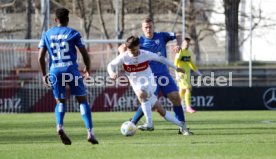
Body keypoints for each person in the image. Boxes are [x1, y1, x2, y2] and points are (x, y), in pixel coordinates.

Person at [108, 36, 192, 135]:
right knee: (161, 110)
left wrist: (176, 68)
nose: (132, 52)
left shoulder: (145, 54)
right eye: (130, 50)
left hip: (150, 83)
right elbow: (110, 65)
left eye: (134, 50)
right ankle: (182, 125)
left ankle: (149, 124)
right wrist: (111, 73)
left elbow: (161, 59)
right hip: (137, 86)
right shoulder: (124, 56)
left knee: (141, 94)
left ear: (138, 46)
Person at [38, 8, 98, 145]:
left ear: (55, 19)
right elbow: (84, 53)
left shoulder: (46, 34)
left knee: (60, 101)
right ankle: (90, 132)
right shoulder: (73, 33)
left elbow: (40, 57)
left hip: (55, 71)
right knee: (82, 101)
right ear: (68, 19)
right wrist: (87, 68)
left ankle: (59, 126)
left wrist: (44, 75)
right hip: (71, 70)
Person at [119, 17, 186, 133]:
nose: (148, 29)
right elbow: (122, 47)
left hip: (164, 74)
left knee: (175, 96)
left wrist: (179, 45)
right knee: (148, 101)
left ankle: (182, 126)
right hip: (148, 77)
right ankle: (133, 123)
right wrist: (123, 56)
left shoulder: (162, 36)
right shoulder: (139, 41)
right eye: (146, 27)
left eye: (150, 27)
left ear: (153, 26)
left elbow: (178, 34)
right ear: (142, 28)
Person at [174, 37, 202, 113]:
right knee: (188, 89)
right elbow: (175, 63)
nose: (187, 44)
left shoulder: (188, 53)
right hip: (181, 75)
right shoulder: (180, 52)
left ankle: (176, 105)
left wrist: (198, 72)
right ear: (182, 44)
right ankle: (188, 107)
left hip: (187, 75)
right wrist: (177, 74)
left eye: (188, 43)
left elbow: (190, 64)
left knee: (182, 91)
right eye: (185, 43)